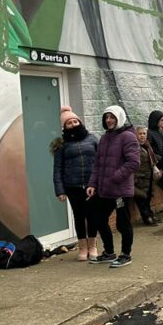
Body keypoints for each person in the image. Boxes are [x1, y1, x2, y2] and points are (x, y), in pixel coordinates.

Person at [86, 106, 140, 268]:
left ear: (119, 118)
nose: (109, 120)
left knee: (123, 224)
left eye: (112, 117)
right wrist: (92, 184)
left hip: (120, 191)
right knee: (98, 218)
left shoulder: (128, 137)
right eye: (106, 117)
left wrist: (115, 177)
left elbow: (133, 162)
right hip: (104, 189)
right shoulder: (105, 138)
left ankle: (125, 255)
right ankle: (109, 252)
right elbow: (97, 164)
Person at [51, 107, 99, 261]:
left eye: (75, 121)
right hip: (73, 187)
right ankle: (83, 248)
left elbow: (101, 162)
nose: (72, 124)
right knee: (78, 217)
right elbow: (57, 168)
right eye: (69, 123)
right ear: (64, 127)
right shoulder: (62, 145)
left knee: (92, 216)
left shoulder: (92, 139)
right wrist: (60, 190)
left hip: (92, 185)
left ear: (80, 122)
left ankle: (93, 246)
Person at [134, 126, 161, 226]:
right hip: (140, 177)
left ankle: (150, 215)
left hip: (148, 177)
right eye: (140, 134)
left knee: (148, 197)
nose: (142, 136)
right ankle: (147, 218)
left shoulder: (147, 145)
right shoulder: (134, 147)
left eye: (144, 134)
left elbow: (152, 159)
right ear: (136, 135)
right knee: (142, 199)